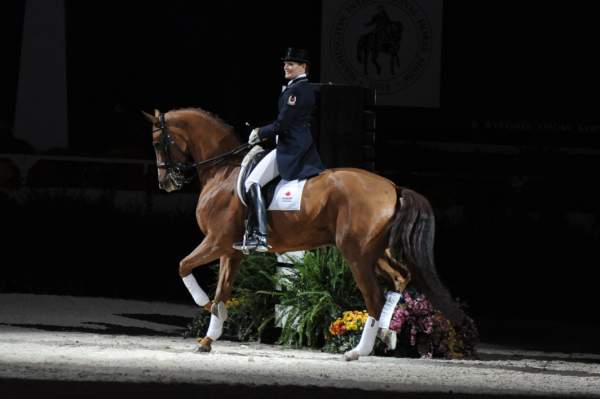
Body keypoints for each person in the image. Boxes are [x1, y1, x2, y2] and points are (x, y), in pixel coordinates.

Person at [233, 47, 325, 252]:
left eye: (291, 63)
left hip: (291, 148)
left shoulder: (299, 90)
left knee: (252, 181)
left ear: (304, 67)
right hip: (294, 144)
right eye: (285, 63)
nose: (286, 66)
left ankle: (260, 236)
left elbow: (283, 124)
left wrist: (260, 132)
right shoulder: (296, 88)